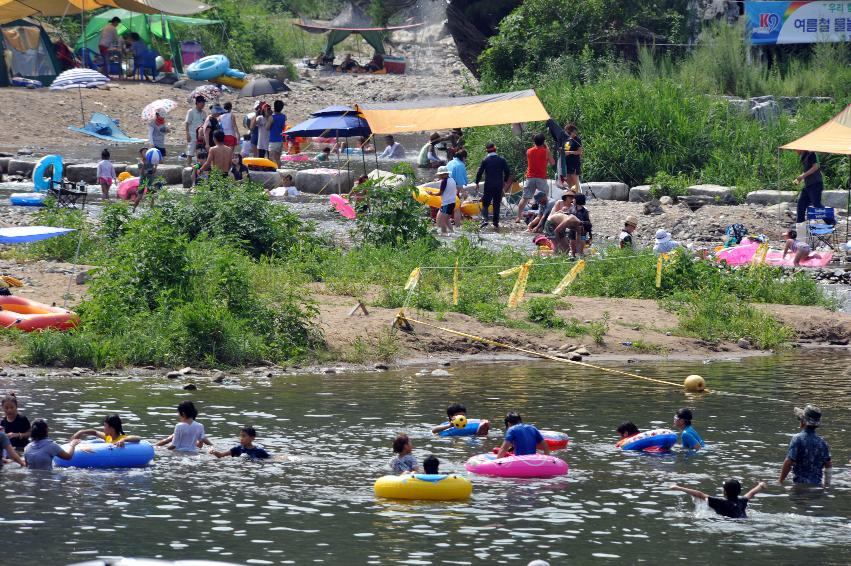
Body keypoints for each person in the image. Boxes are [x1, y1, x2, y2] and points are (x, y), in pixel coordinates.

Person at [779, 404, 831, 486]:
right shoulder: (823, 443)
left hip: (799, 486)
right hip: (817, 486)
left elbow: (788, 462)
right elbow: (828, 465)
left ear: (803, 421)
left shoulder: (797, 439)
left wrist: (780, 481)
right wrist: (827, 485)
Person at [670, 479, 766, 519]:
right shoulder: (742, 501)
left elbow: (699, 494)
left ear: (724, 492)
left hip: (729, 523)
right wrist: (760, 485)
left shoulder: (720, 502)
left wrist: (678, 487)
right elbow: (752, 493)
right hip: (743, 520)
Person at [517, 133, 554, 223]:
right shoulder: (546, 151)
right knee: (545, 198)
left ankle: (518, 217)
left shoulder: (529, 151)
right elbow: (552, 162)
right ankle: (545, 216)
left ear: (534, 141)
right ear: (543, 141)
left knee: (525, 198)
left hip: (530, 177)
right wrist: (547, 148)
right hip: (541, 177)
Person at [475, 142, 512, 231]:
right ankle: (496, 223)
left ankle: (485, 220)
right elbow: (507, 171)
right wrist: (505, 181)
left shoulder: (485, 160)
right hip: (499, 184)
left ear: (487, 151)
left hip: (489, 184)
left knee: (485, 203)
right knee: (496, 204)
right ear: (495, 149)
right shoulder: (501, 160)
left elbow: (479, 172)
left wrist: (477, 182)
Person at [71, 414, 141, 447]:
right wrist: (82, 432)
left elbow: (138, 438)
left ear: (111, 428)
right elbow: (95, 432)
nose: (103, 428)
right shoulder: (108, 437)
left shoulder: (121, 438)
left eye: (105, 426)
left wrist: (123, 440)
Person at [793, 149, 824, 224]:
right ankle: (800, 225)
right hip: (808, 185)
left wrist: (803, 176)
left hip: (816, 184)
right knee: (801, 204)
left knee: (817, 204)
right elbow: (807, 170)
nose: (795, 151)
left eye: (796, 149)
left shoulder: (811, 153)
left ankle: (831, 221)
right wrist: (800, 178)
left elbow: (815, 167)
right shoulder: (803, 156)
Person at [435, 166, 457, 235]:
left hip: (446, 204)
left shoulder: (444, 181)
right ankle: (453, 232)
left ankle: (444, 234)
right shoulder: (452, 180)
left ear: (442, 174)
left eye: (439, 175)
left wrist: (431, 193)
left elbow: (440, 193)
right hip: (452, 203)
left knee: (441, 221)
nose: (439, 176)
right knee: (447, 220)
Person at [185, 96, 207, 165]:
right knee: (190, 152)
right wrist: (187, 134)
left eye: (204, 103)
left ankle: (199, 168)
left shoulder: (204, 113)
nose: (204, 105)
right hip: (192, 135)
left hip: (201, 137)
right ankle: (188, 167)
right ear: (197, 103)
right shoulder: (191, 111)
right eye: (202, 103)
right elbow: (187, 123)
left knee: (200, 153)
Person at [569, 193, 592, 257]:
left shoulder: (584, 211)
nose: (573, 200)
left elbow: (587, 221)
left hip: (582, 230)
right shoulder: (572, 209)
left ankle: (581, 254)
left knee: (582, 241)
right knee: (572, 242)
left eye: (574, 199)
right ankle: (573, 255)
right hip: (573, 229)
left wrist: (590, 234)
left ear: (577, 200)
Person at [562, 124, 582, 192]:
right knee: (568, 179)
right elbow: (565, 150)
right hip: (567, 162)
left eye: (569, 132)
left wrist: (570, 152)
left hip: (574, 162)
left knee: (575, 179)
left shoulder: (577, 139)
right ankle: (572, 194)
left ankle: (577, 194)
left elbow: (580, 151)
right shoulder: (567, 140)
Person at [268, 100, 287, 165]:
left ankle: (274, 171)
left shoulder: (272, 117)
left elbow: (267, 128)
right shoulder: (283, 117)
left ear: (274, 107)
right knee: (278, 158)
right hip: (280, 140)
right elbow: (283, 127)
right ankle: (279, 170)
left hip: (273, 140)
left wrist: (268, 116)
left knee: (271, 157)